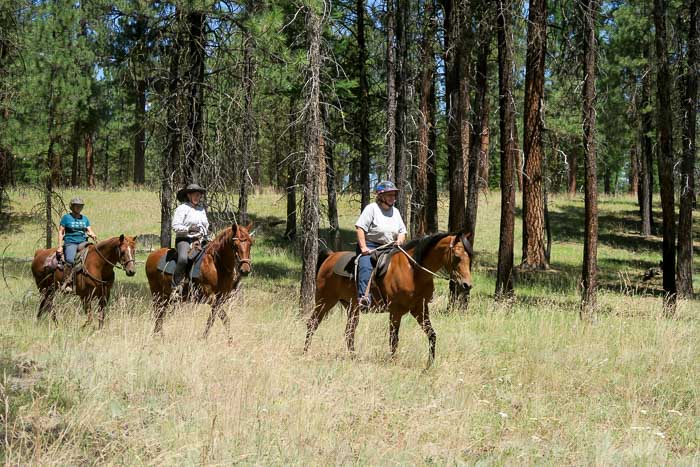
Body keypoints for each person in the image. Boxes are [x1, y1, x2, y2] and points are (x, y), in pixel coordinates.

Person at [354, 181, 407, 308]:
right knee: (366, 265)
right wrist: (363, 248)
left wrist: (399, 240)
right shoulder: (371, 208)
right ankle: (364, 298)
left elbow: (402, 231)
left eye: (394, 195)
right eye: (389, 195)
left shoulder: (396, 211)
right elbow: (360, 228)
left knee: (407, 263)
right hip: (371, 246)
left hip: (391, 247)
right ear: (381, 196)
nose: (393, 198)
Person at [171, 183, 210, 300]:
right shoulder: (182, 208)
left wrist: (204, 231)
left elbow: (206, 224)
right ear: (188, 195)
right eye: (195, 195)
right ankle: (175, 287)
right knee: (183, 258)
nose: (197, 197)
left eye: (199, 195)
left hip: (200, 239)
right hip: (184, 239)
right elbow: (175, 225)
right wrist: (188, 229)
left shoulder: (201, 210)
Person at [58, 197, 97, 292]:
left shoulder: (85, 219)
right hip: (71, 242)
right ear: (72, 207)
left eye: (80, 206)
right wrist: (59, 246)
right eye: (76, 206)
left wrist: (92, 234)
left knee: (92, 257)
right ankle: (68, 282)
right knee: (70, 260)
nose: (79, 208)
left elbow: (89, 229)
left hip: (83, 242)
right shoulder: (66, 218)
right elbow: (60, 232)